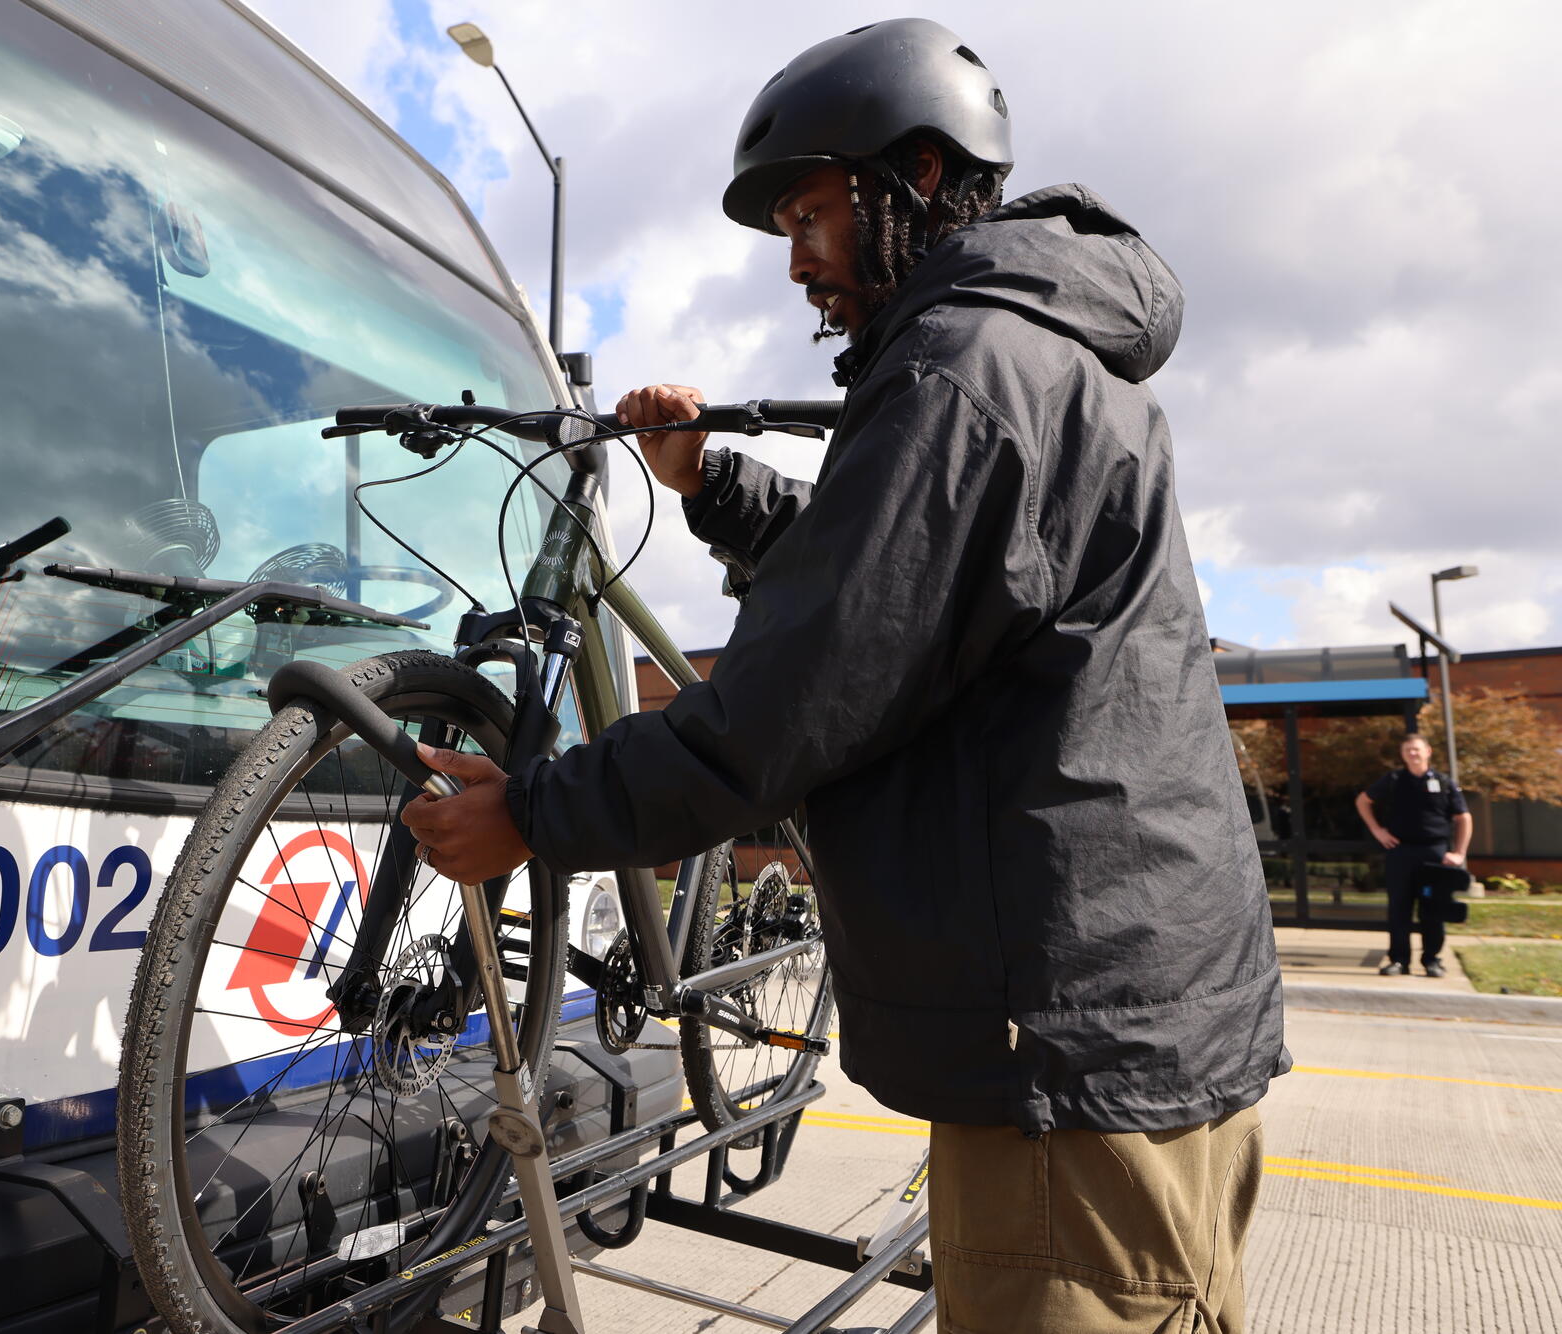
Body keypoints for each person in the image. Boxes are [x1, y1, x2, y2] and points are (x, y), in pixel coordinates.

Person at [402, 19, 1286, 1333]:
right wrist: (714, 483)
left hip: (1071, 1069)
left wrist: (531, 815)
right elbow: (893, 584)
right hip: (1115, 1031)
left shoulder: (966, 369)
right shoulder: (1020, 348)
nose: (799, 259)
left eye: (813, 212)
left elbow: (790, 701)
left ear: (919, 176)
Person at [1358, 734, 1472, 978]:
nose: (1413, 754)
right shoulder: (1394, 780)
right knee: (1399, 908)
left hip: (1435, 855)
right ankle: (1399, 960)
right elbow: (1363, 801)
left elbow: (1464, 817)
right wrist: (1378, 831)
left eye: (1417, 749)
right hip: (1401, 853)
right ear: (1402, 754)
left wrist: (1459, 853)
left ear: (1428, 751)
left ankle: (1432, 960)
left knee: (1433, 909)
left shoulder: (1443, 782)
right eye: (1408, 750)